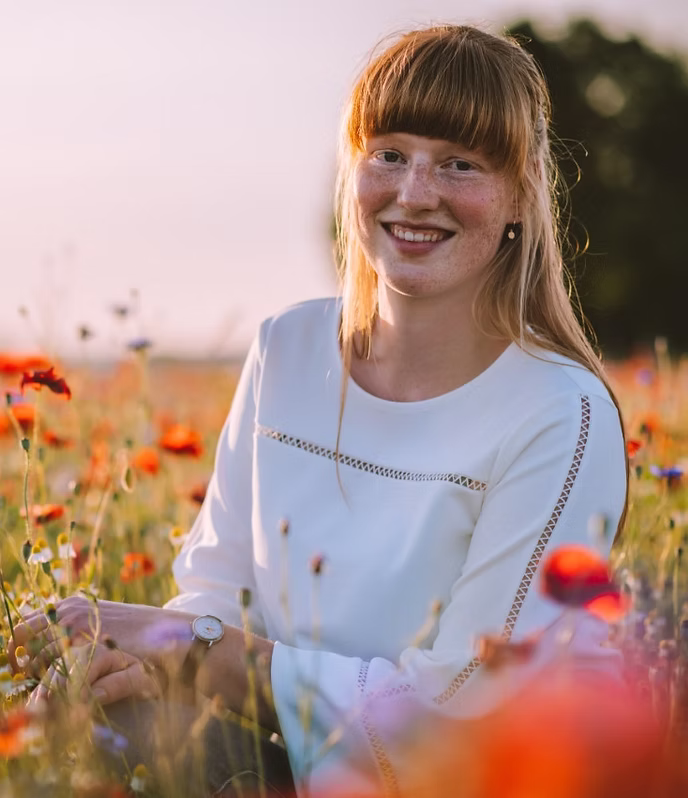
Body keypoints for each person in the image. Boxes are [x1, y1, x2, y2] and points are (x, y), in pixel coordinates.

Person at [12, 24, 628, 798]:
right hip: (289, 760)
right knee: (105, 722)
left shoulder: (557, 414)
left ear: (521, 191)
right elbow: (215, 585)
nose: (415, 193)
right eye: (391, 153)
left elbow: (461, 719)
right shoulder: (288, 348)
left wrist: (192, 648)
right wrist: (129, 664)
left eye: (461, 164)